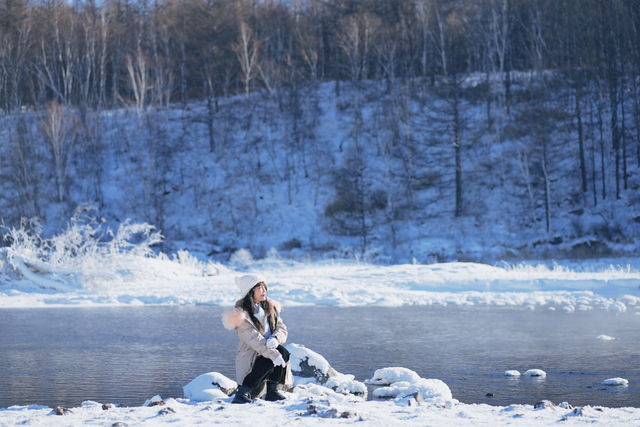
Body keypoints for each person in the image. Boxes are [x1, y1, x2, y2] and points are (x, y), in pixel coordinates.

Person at [222, 274, 292, 403]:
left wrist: (275, 338)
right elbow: (256, 341)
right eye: (260, 287)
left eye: (265, 287)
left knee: (283, 352)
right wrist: (273, 355)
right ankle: (242, 393)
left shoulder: (270, 308)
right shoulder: (241, 316)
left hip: (267, 359)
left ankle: (273, 391)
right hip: (252, 362)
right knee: (271, 355)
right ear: (250, 291)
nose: (264, 291)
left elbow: (282, 329)